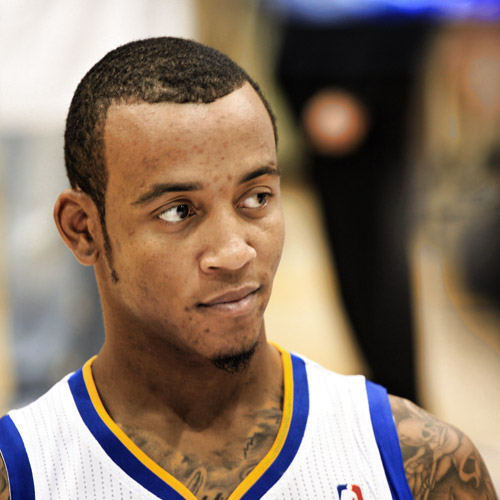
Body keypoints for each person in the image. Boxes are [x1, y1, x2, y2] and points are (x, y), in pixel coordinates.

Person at [0, 37, 496, 500]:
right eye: (178, 211)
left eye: (256, 198)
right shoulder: (22, 473)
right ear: (83, 229)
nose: (235, 252)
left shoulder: (422, 464)